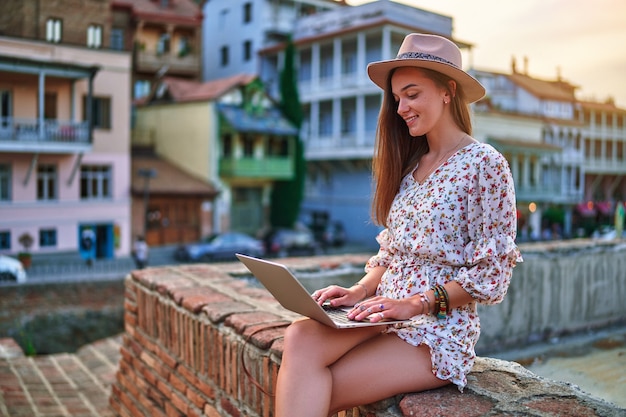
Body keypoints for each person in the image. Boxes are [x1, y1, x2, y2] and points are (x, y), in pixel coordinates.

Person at [274, 33, 523, 416]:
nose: (401, 107)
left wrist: (415, 304)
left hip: (436, 331)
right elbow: (393, 253)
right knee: (301, 336)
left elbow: (493, 276)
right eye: (397, 99)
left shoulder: (485, 165)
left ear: (447, 91)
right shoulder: (412, 169)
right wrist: (358, 290)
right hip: (382, 313)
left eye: (412, 94)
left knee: (319, 385)